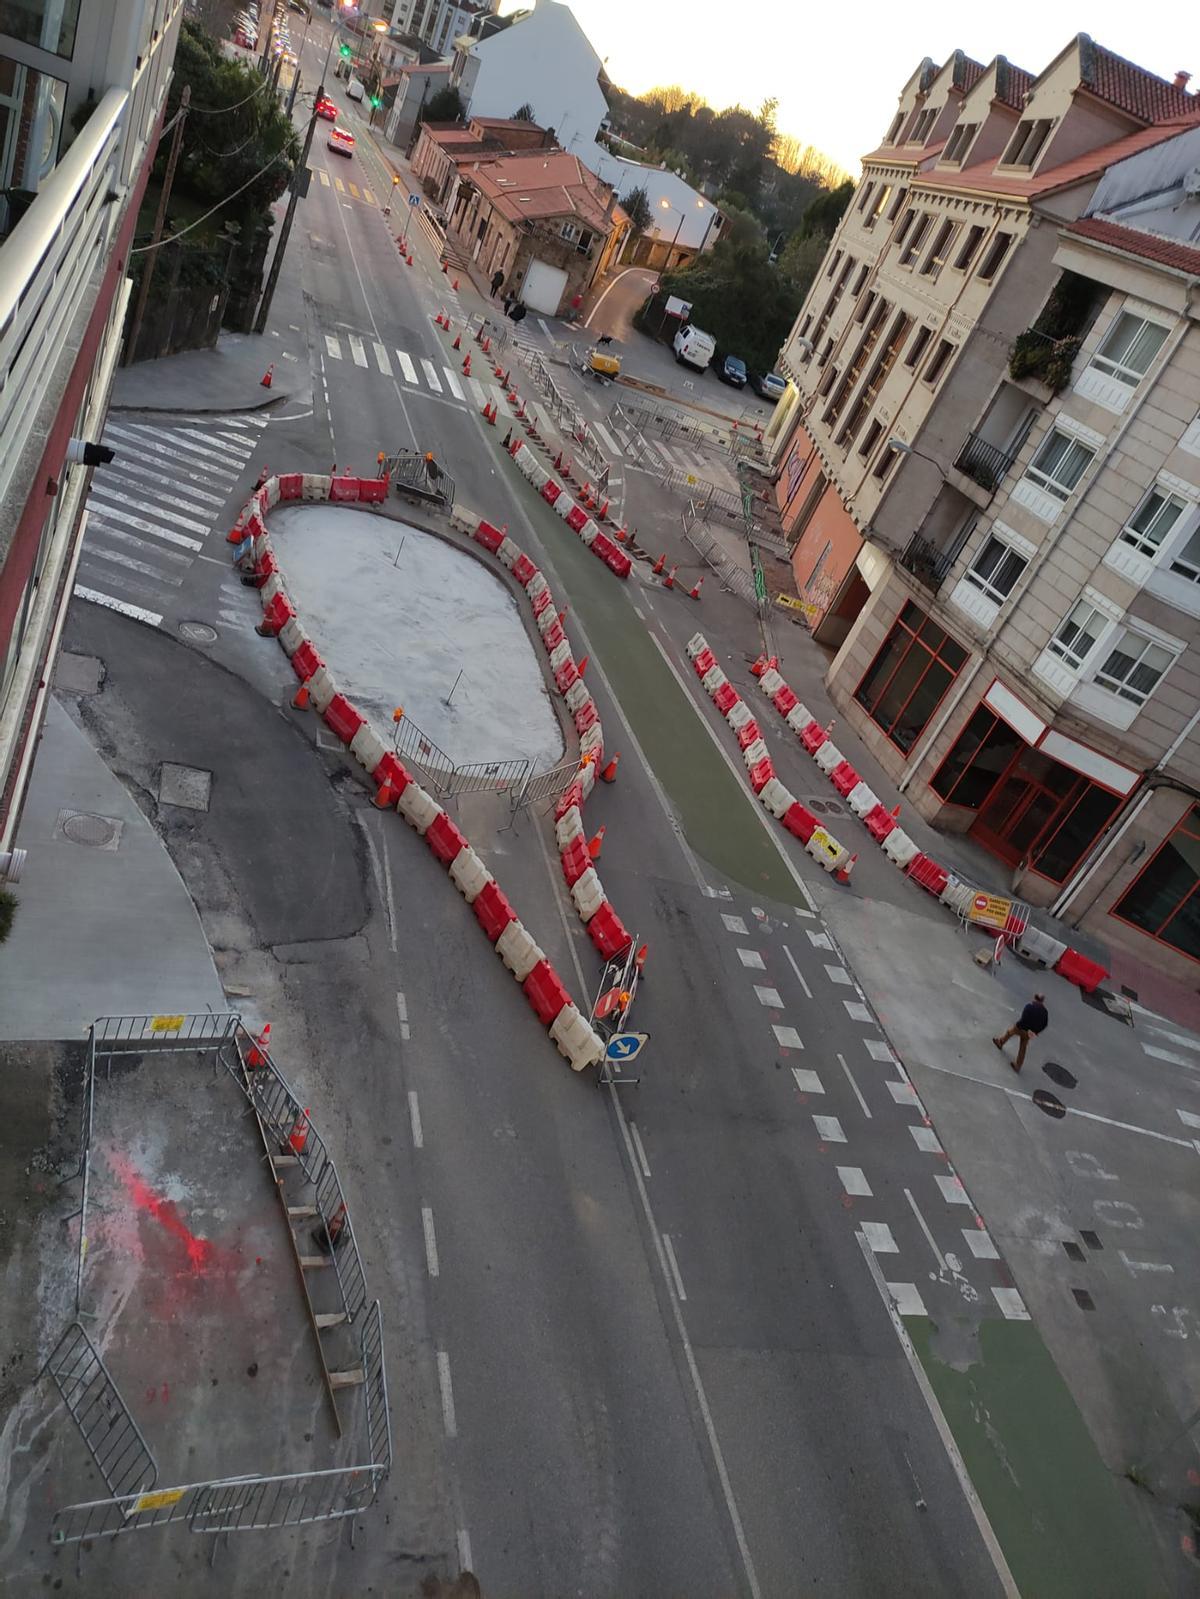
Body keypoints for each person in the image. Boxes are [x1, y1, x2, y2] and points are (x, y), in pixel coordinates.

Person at [994, 993, 1048, 1073]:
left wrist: (1018, 1025)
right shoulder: (1045, 1012)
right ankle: (1018, 1066)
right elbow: (1044, 1024)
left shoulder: (1030, 1006)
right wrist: (1036, 1032)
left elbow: (1024, 1018)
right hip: (1031, 1033)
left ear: (1035, 998)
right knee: (1023, 1047)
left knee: (1009, 1032)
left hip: (1022, 1028)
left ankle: (1000, 1042)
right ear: (1042, 1001)